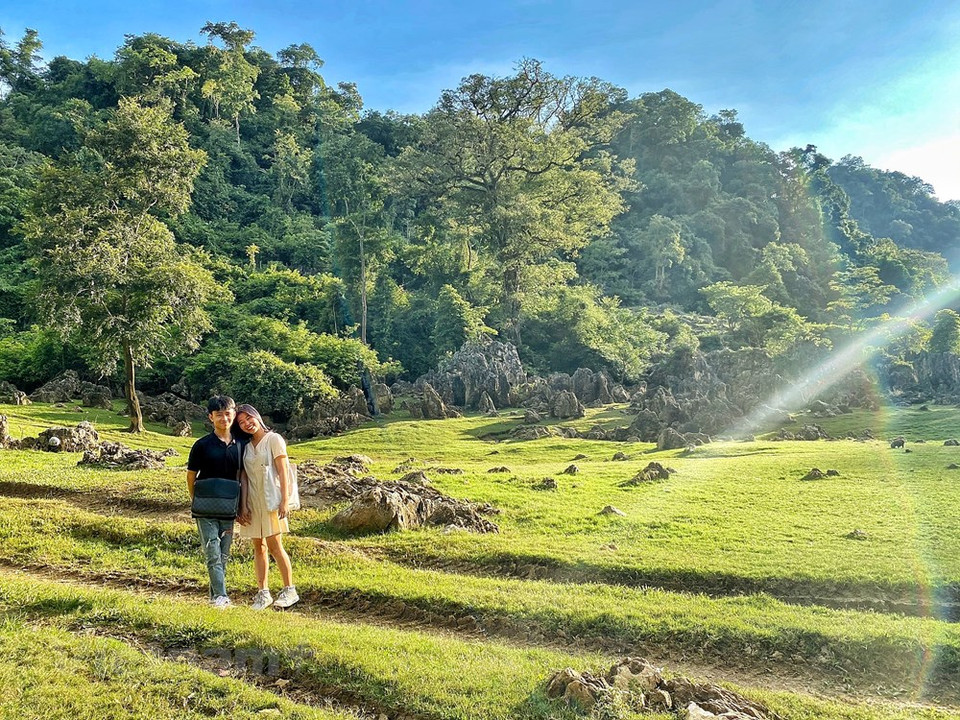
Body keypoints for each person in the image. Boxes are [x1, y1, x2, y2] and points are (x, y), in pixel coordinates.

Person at [234, 403, 299, 610]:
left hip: (272, 500)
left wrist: (284, 500)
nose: (246, 424)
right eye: (241, 423)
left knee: (274, 546)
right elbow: (244, 477)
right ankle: (263, 593)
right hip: (253, 501)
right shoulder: (245, 446)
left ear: (257, 416)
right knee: (258, 547)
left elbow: (283, 470)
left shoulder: (274, 439)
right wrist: (242, 505)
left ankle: (290, 590)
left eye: (248, 419)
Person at [186, 395, 245, 608]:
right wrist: (197, 501)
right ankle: (221, 596)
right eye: (218, 414)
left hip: (229, 506)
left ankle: (215, 598)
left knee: (223, 553)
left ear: (234, 414)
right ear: (211, 417)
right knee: (212, 550)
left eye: (227, 413)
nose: (224, 418)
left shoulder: (241, 444)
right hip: (205, 508)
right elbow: (191, 476)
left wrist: (241, 505)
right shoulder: (201, 445)